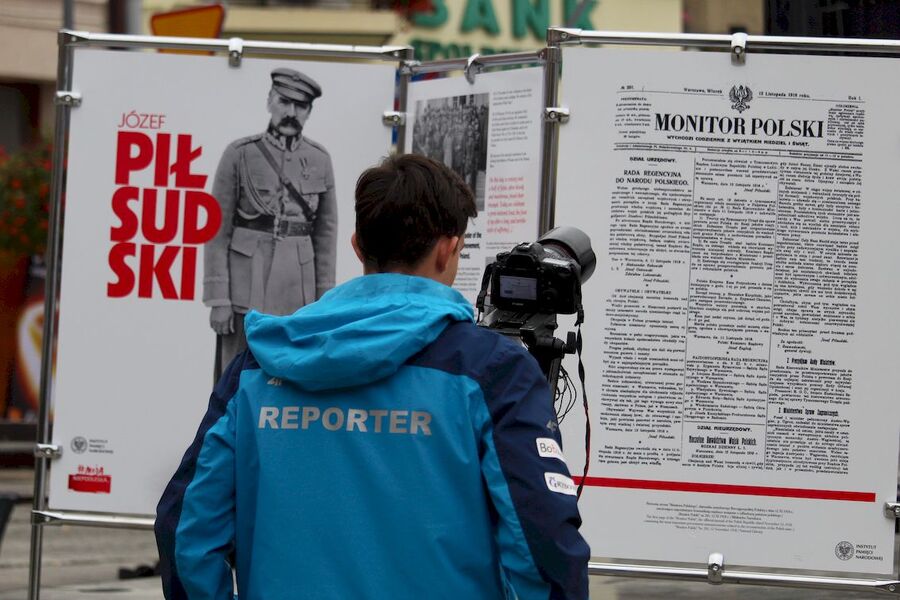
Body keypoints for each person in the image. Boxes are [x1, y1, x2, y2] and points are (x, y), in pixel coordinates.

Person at [155, 154, 590, 600]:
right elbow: (543, 542)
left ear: (358, 246)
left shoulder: (259, 365)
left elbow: (187, 529)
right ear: (448, 248)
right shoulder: (489, 371)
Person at [204, 67, 337, 379]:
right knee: (233, 377)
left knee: (289, 376)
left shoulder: (320, 159)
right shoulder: (239, 154)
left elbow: (326, 234)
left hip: (298, 288)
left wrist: (323, 302)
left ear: (309, 111)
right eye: (283, 102)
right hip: (245, 285)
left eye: (300, 106)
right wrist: (218, 298)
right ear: (269, 101)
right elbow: (216, 230)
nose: (290, 112)